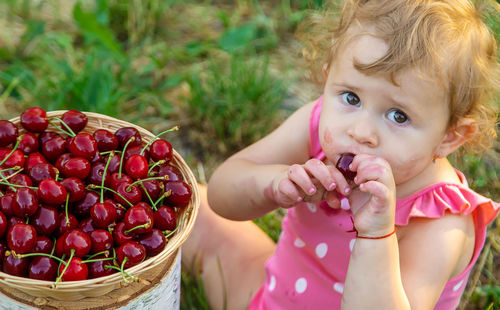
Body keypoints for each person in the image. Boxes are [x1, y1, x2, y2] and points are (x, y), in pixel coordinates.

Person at [182, 0, 500, 309]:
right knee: (191, 204)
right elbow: (224, 192)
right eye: (351, 97)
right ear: (327, 77)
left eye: (398, 116)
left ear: (450, 137)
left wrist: (376, 236)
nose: (361, 131)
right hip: (272, 297)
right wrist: (274, 184)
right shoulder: (323, 122)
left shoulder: (442, 222)